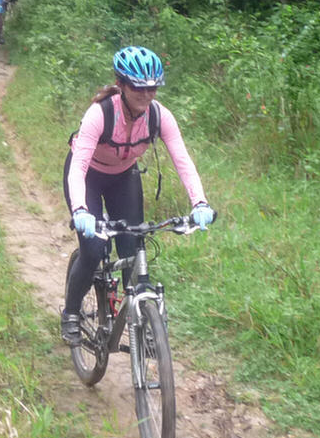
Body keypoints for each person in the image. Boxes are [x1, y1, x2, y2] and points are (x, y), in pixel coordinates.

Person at [61, 46, 215, 346]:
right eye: (138, 88)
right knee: (92, 250)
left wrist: (200, 202)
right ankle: (71, 313)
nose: (146, 95)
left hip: (124, 177)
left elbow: (183, 161)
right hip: (88, 175)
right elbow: (78, 168)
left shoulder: (159, 116)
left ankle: (138, 319)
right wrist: (80, 210)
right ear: (121, 84)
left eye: (152, 88)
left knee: (132, 250)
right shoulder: (100, 114)